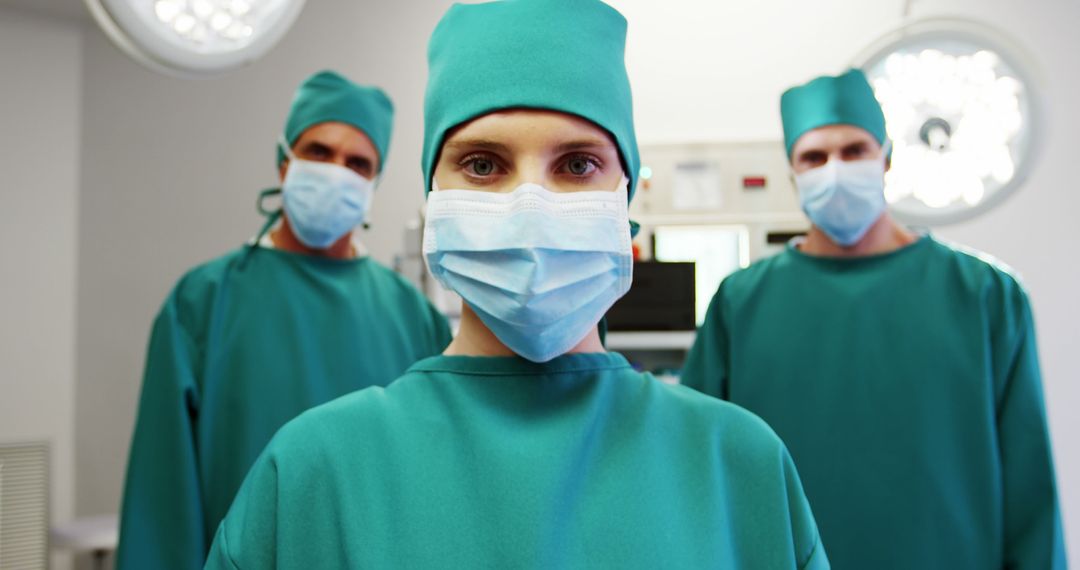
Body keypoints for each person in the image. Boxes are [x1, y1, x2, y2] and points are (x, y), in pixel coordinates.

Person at [203, 1, 829, 568]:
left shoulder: (739, 469)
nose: (530, 204)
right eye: (483, 164)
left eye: (577, 164)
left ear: (625, 196)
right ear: (433, 194)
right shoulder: (312, 478)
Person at [682, 68, 1066, 569]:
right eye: (814, 157)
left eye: (854, 151)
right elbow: (698, 471)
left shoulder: (986, 295)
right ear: (792, 172)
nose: (835, 169)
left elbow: (1030, 486)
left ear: (887, 158)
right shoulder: (741, 303)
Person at [116, 71, 453, 570]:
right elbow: (162, 502)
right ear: (284, 162)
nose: (336, 171)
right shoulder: (205, 302)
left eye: (358, 163)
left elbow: (435, 485)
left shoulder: (414, 317)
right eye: (318, 151)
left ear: (374, 184)